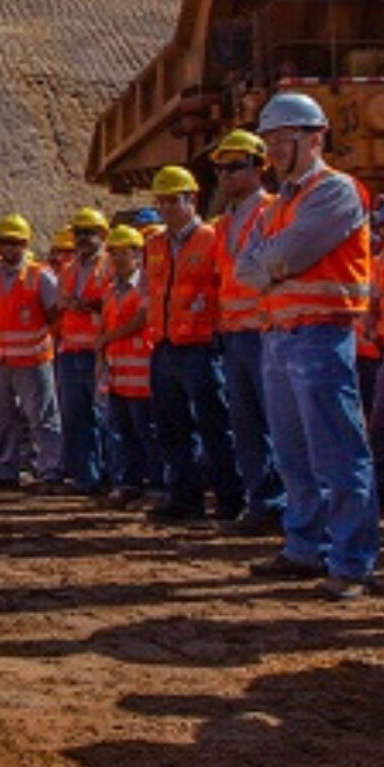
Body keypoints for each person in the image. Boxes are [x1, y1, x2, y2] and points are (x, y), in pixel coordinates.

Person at [234, 94, 379, 600]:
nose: (274, 150)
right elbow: (246, 267)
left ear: (315, 138)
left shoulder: (335, 191)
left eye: (284, 139)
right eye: (269, 141)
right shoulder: (281, 205)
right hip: (279, 334)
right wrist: (271, 265)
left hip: (321, 333)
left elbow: (288, 256)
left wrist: (271, 266)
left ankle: (351, 561)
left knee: (337, 451)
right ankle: (304, 546)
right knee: (293, 453)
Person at [143, 167, 243, 524]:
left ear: (192, 200)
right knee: (171, 428)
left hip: (202, 345)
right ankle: (185, 498)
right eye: (162, 202)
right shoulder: (154, 244)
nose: (167, 208)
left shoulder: (211, 238)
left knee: (215, 426)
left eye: (174, 201)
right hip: (165, 344)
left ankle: (230, 500)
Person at [210, 130, 288, 533]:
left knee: (279, 420)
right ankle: (262, 502)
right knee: (246, 425)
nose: (226, 174)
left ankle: (287, 504)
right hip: (234, 331)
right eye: (221, 168)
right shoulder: (224, 223)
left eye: (235, 166)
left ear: (260, 168)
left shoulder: (272, 211)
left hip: (264, 329)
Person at [0, 217, 59, 488]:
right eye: (5, 243)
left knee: (42, 418)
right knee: (1, 419)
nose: (10, 248)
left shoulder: (40, 276)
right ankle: (4, 469)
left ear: (25, 245)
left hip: (32, 359)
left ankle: (50, 470)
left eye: (15, 243)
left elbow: (55, 314)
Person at [93, 225, 158, 506]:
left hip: (142, 372)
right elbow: (106, 325)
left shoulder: (146, 285)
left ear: (137, 254)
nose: (118, 258)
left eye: (123, 252)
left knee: (147, 431)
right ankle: (129, 483)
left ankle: (155, 485)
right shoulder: (110, 291)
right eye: (114, 252)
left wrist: (108, 338)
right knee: (123, 431)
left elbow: (142, 319)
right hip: (119, 373)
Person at [52, 208, 111, 495]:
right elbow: (60, 304)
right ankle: (85, 478)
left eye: (89, 233)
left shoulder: (110, 266)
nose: (83, 238)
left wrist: (89, 304)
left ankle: (109, 477)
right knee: (75, 418)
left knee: (104, 418)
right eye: (79, 233)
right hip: (70, 350)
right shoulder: (68, 270)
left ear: (103, 235)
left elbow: (117, 301)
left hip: (98, 350)